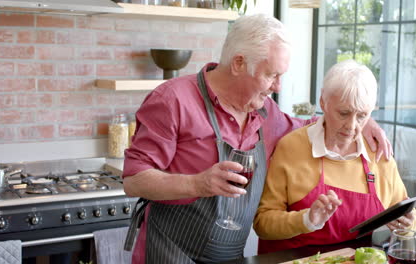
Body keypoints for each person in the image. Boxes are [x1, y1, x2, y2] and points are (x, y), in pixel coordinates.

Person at [122, 14, 392, 263]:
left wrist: (364, 120)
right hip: (169, 253)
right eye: (272, 75)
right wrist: (198, 183)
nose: (278, 87)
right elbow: (134, 180)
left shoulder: (266, 112)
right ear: (239, 63)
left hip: (230, 257)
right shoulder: (172, 100)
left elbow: (317, 124)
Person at [253, 60, 416, 255]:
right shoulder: (291, 147)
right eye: (344, 113)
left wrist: (408, 224)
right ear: (323, 102)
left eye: (362, 116)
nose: (352, 126)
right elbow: (262, 223)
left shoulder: (379, 152)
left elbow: (406, 212)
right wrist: (307, 220)